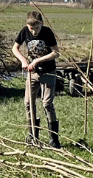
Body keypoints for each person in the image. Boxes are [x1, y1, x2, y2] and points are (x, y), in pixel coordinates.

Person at [12, 11, 61, 148]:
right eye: (31, 29)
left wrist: (37, 60)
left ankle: (54, 139)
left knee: (47, 104)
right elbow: (14, 48)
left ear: (41, 24)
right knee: (28, 103)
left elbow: (56, 53)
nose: (34, 32)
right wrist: (23, 60)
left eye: (37, 28)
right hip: (32, 74)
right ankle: (33, 136)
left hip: (48, 73)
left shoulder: (47, 32)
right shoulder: (24, 31)